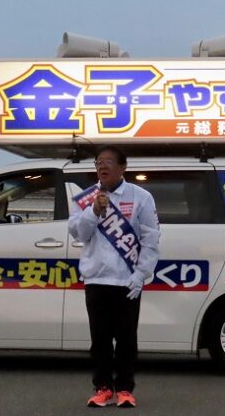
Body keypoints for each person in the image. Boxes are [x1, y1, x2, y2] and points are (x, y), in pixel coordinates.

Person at [69, 145, 160, 408]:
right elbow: (78, 234)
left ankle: (125, 389)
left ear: (122, 167)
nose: (102, 166)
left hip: (127, 281)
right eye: (99, 162)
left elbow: (151, 239)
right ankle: (102, 388)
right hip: (96, 279)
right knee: (99, 340)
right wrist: (94, 211)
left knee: (126, 340)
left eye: (108, 161)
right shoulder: (86, 198)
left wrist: (141, 274)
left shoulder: (141, 197)